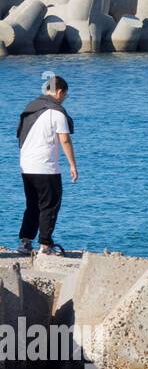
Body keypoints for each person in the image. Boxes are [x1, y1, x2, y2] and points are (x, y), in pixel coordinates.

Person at [16, 75, 78, 256]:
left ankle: (25, 243)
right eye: (64, 95)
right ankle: (45, 246)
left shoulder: (31, 108)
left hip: (26, 166)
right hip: (46, 167)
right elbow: (65, 140)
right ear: (59, 92)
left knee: (32, 205)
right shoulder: (56, 113)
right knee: (49, 205)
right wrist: (72, 165)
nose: (64, 99)